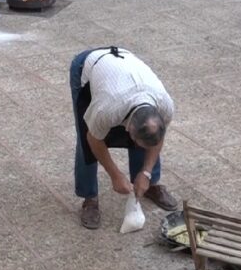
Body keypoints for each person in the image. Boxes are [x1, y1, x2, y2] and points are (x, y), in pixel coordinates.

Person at [70, 46, 178, 230]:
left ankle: (148, 184)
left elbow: (157, 138)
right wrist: (115, 175)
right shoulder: (107, 109)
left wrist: (146, 172)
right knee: (85, 140)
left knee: (148, 139)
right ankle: (90, 198)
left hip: (125, 68)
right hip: (88, 69)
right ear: (129, 129)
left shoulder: (165, 106)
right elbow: (94, 139)